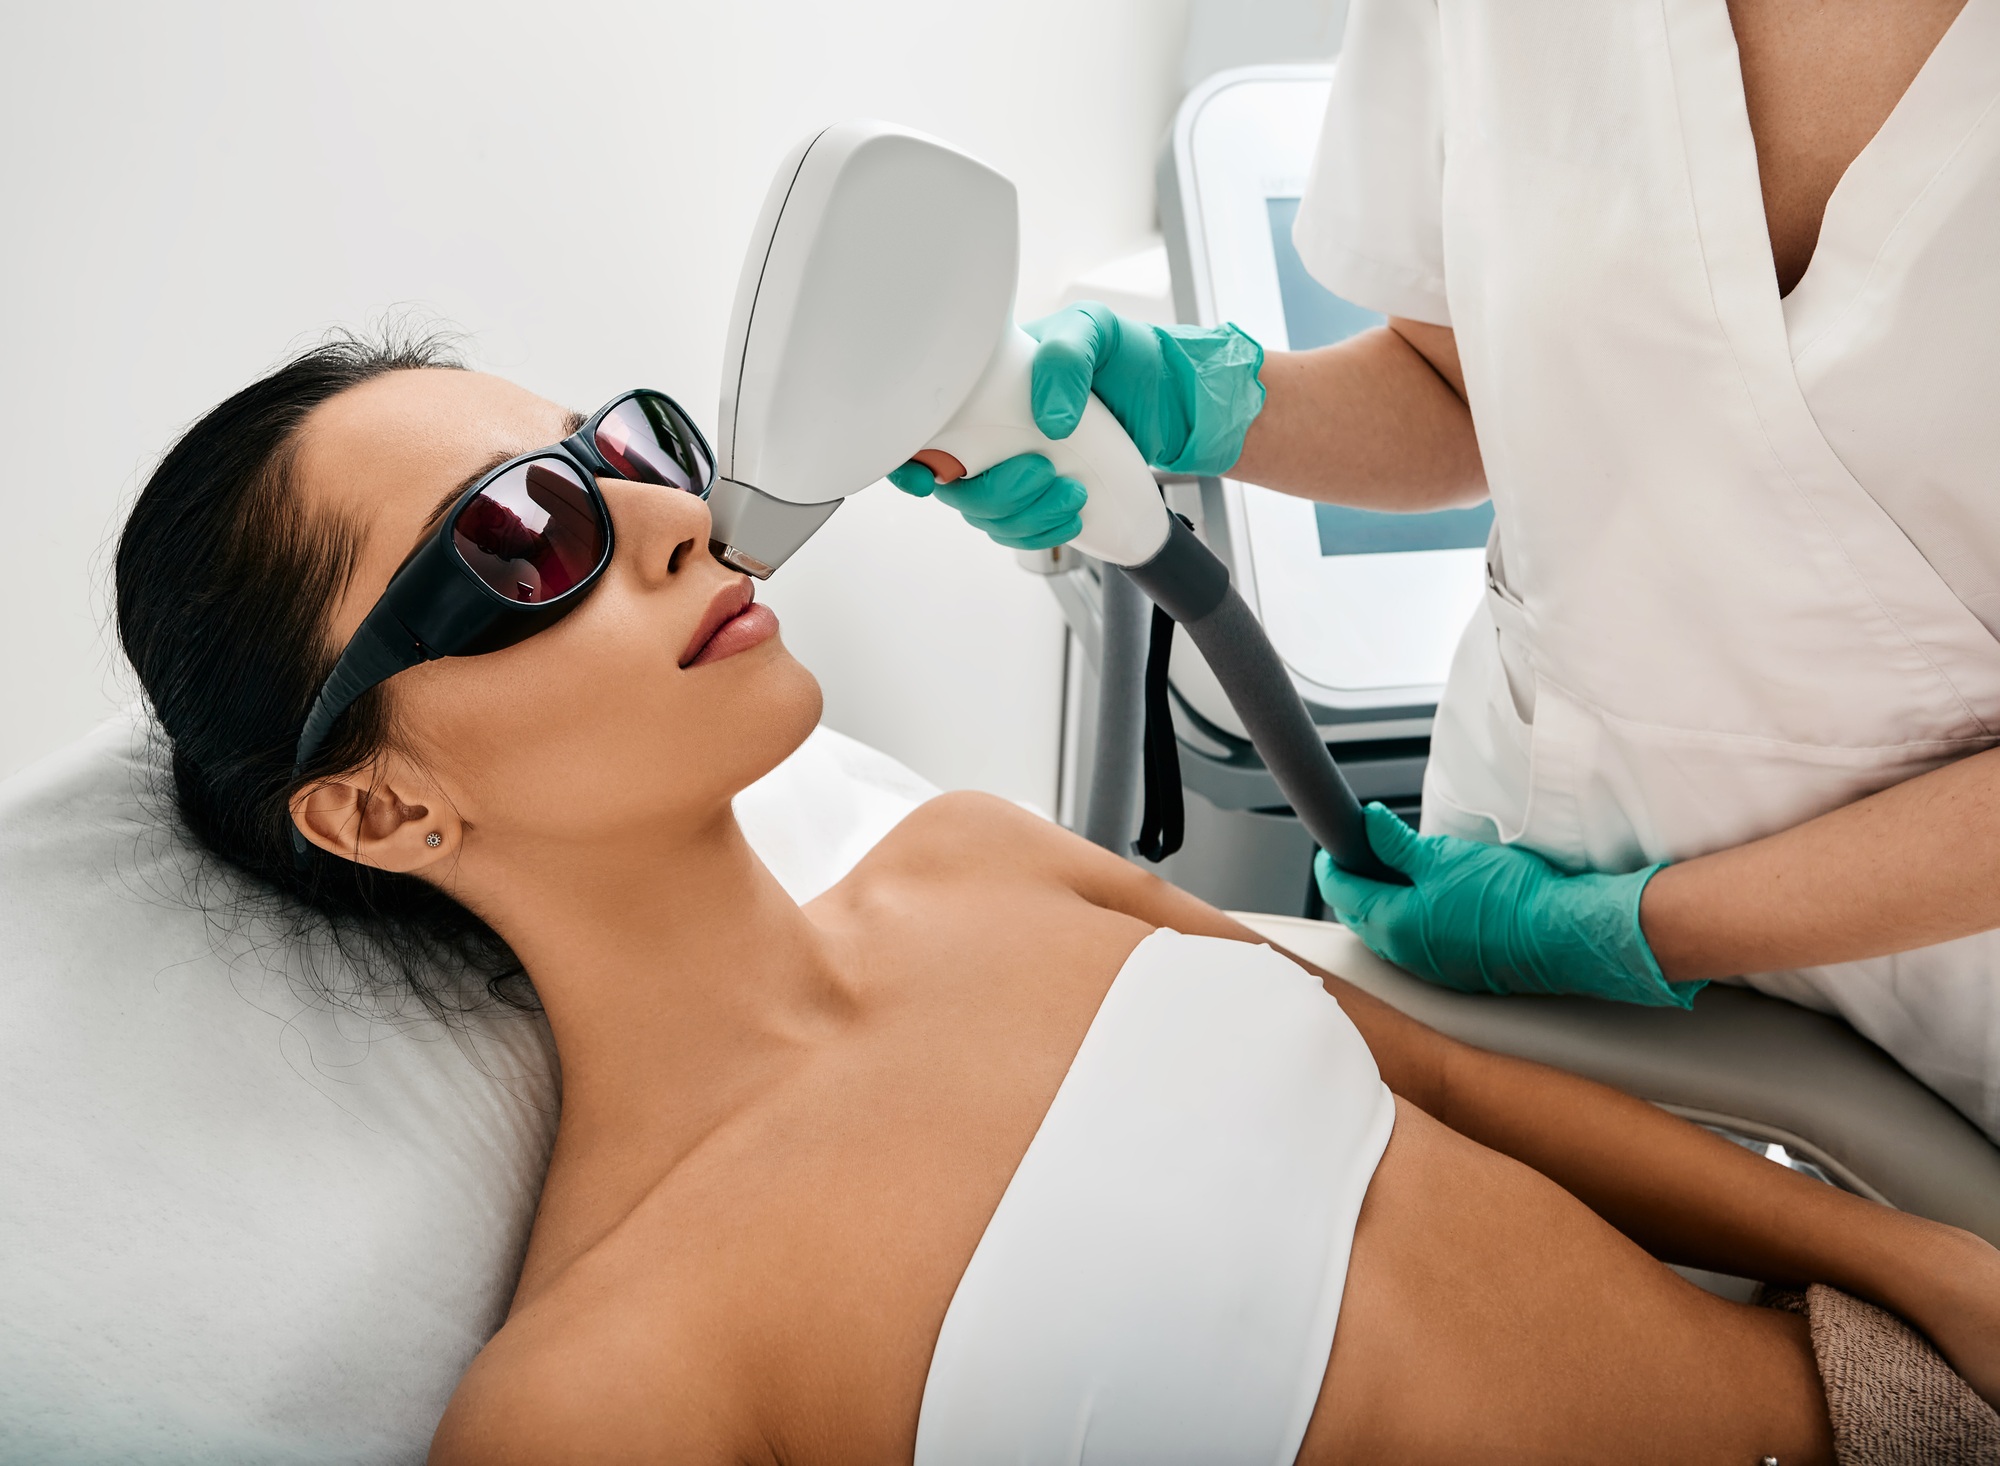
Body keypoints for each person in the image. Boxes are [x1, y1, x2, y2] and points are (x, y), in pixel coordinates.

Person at [115, 338, 2000, 1462]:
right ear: (377, 806)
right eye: (526, 533)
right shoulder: (605, 1389)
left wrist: (1921, 1266)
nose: (678, 521)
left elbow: (1442, 1088)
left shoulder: (973, 860)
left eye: (630, 452)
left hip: (1883, 1395)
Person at [898, 0, 2000, 1142]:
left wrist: (1636, 927)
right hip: (1543, 870)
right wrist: (1204, 403)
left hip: (1954, 980)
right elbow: (1454, 388)